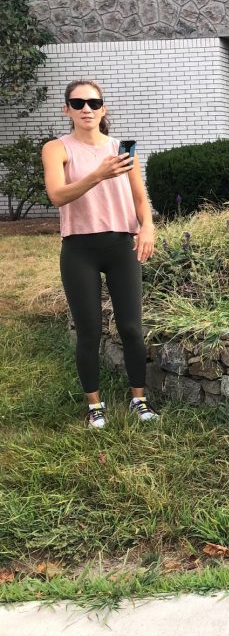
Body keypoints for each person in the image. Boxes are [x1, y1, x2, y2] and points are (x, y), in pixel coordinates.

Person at [41, 80, 160, 429]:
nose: (86, 109)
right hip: (79, 249)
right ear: (67, 110)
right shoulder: (56, 148)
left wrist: (148, 226)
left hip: (121, 246)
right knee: (89, 331)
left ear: (103, 108)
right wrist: (98, 174)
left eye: (93, 102)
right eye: (77, 103)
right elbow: (57, 196)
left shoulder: (123, 149)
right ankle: (95, 406)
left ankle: (139, 399)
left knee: (131, 328)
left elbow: (140, 198)